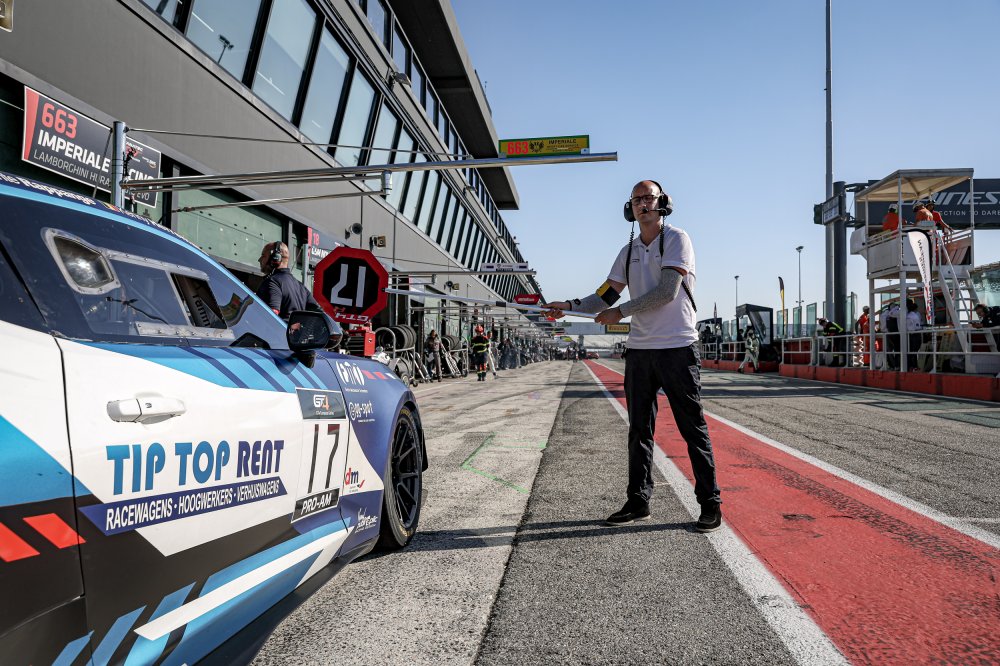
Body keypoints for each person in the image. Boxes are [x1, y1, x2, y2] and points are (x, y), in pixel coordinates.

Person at [544, 179, 722, 532]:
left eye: (648, 198)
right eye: (636, 199)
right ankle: (638, 501)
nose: (642, 204)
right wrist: (568, 305)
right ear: (630, 207)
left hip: (677, 347)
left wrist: (620, 312)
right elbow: (604, 296)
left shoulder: (677, 239)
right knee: (639, 430)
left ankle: (710, 503)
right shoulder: (627, 252)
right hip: (640, 350)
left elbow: (667, 292)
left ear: (662, 202)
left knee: (692, 428)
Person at [256, 241, 320, 320]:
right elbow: (320, 314)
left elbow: (272, 314)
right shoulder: (302, 288)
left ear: (275, 258)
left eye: (263, 255)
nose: (259, 259)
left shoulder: (272, 282)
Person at [905, 299, 923, 371]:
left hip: (911, 334)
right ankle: (913, 366)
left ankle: (911, 366)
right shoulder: (914, 315)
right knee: (913, 351)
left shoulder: (908, 315)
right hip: (914, 334)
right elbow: (917, 327)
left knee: (911, 351)